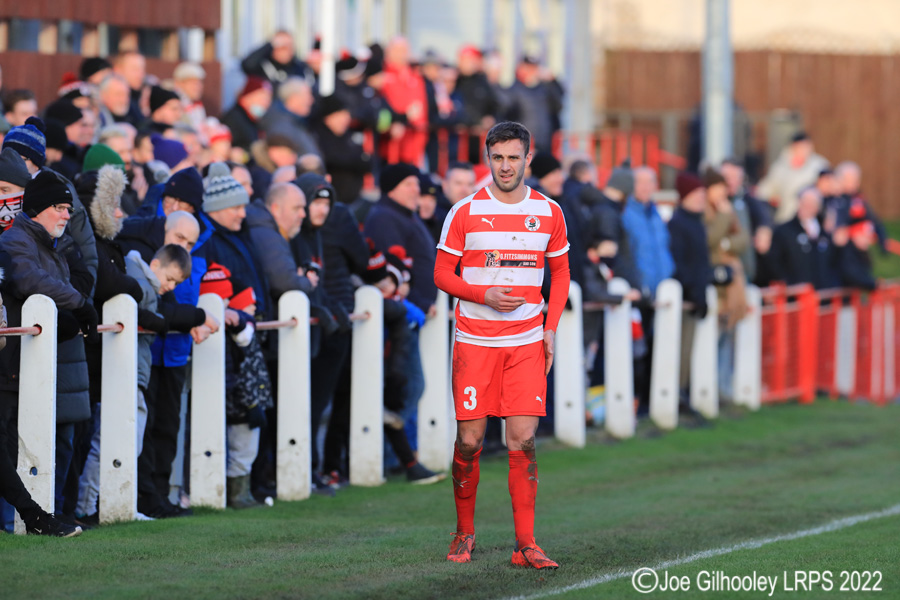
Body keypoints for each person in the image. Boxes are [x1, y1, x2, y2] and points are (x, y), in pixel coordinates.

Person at [434, 121, 569, 569]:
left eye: (514, 157)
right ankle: (463, 532)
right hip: (474, 341)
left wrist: (550, 327)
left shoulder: (549, 211)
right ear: (487, 159)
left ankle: (525, 544)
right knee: (470, 441)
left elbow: (561, 273)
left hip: (527, 340)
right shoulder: (465, 211)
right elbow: (442, 274)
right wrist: (482, 294)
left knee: (523, 439)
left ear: (528, 158)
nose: (505, 166)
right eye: (498, 158)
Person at [756, 131, 829, 224]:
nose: (803, 150)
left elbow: (827, 189)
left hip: (811, 219)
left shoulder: (819, 166)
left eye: (806, 147)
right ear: (793, 147)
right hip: (786, 217)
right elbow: (766, 189)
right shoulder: (780, 167)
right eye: (799, 147)